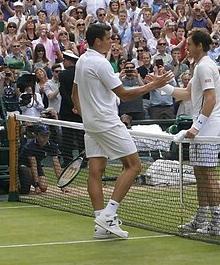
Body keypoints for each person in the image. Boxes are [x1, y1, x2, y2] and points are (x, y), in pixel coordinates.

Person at [72, 23, 174, 239]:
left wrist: (86, 115)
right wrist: (153, 85)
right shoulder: (101, 64)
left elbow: (75, 94)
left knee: (96, 171)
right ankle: (108, 214)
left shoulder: (81, 60)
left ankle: (101, 226)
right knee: (134, 165)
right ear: (98, 41)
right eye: (109, 38)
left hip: (92, 124)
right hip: (107, 122)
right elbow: (124, 94)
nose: (112, 41)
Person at [161, 28, 220, 236]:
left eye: (189, 44)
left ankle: (217, 223)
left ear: (199, 46)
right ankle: (201, 218)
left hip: (211, 124)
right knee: (199, 173)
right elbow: (188, 94)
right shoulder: (199, 67)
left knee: (207, 173)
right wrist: (161, 86)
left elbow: (211, 99)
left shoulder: (205, 66)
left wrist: (196, 127)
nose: (186, 48)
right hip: (205, 124)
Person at [18, 125, 63, 193]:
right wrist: (36, 185)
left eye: (47, 135)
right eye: (42, 135)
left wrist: (62, 185)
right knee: (34, 184)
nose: (45, 137)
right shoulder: (30, 146)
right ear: (36, 135)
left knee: (43, 187)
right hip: (23, 165)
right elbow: (33, 165)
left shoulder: (52, 146)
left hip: (37, 164)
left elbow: (56, 164)